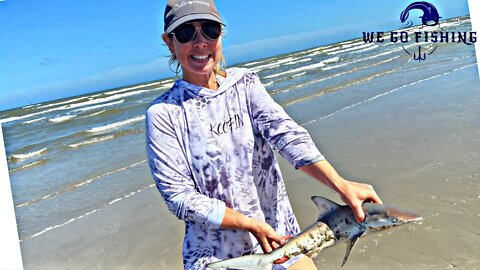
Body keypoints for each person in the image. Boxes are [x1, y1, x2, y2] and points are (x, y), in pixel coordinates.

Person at [146, 1, 383, 269]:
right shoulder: (164, 114)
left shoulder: (244, 85)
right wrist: (248, 224)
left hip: (282, 242)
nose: (200, 42)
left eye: (210, 30)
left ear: (221, 34)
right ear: (169, 42)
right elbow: (179, 197)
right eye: (186, 33)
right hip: (216, 258)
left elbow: (287, 136)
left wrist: (340, 184)